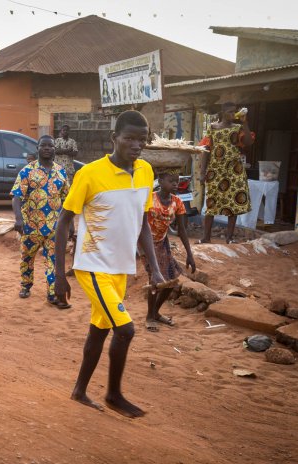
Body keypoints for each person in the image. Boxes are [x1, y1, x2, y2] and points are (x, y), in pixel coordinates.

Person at [54, 110, 165, 418]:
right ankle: (114, 394)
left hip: (121, 269)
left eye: (141, 140)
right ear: (113, 138)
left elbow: (142, 223)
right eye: (129, 138)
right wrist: (58, 275)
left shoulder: (145, 172)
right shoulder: (89, 173)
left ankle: (79, 391)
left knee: (99, 331)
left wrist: (153, 267)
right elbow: (64, 223)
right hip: (92, 266)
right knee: (126, 330)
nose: (136, 145)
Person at [11, 136, 70, 308]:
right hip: (30, 225)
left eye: (50, 146)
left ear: (54, 149)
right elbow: (16, 196)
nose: (47, 148)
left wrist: (70, 224)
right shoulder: (27, 171)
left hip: (55, 227)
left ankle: (52, 293)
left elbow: (67, 199)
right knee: (27, 257)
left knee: (53, 259)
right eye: (43, 145)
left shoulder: (61, 171)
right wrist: (18, 219)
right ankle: (26, 285)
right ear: (37, 148)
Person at [144, 169, 196, 332]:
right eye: (171, 181)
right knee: (155, 280)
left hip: (162, 242)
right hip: (146, 243)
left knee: (171, 282)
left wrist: (190, 254)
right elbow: (140, 225)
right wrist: (141, 251)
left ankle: (155, 313)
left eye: (177, 181)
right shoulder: (149, 199)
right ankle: (149, 317)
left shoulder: (177, 202)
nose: (175, 184)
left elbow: (181, 229)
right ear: (160, 181)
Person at [198, 102, 254, 244]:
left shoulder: (238, 128)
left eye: (234, 112)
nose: (232, 114)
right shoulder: (212, 128)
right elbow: (206, 150)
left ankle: (229, 238)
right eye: (229, 112)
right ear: (223, 113)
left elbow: (248, 142)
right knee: (211, 202)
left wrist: (245, 122)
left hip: (234, 171)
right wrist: (202, 171)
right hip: (215, 170)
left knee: (233, 203)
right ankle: (206, 237)